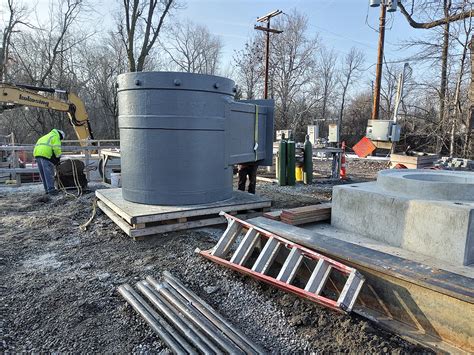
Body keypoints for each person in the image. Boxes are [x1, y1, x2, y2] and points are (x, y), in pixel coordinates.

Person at [33, 128, 65, 194]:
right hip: (45, 155)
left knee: (43, 174)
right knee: (49, 173)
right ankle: (51, 190)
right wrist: (58, 157)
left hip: (37, 154)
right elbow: (56, 148)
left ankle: (47, 189)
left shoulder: (45, 136)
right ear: (60, 136)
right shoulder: (56, 137)